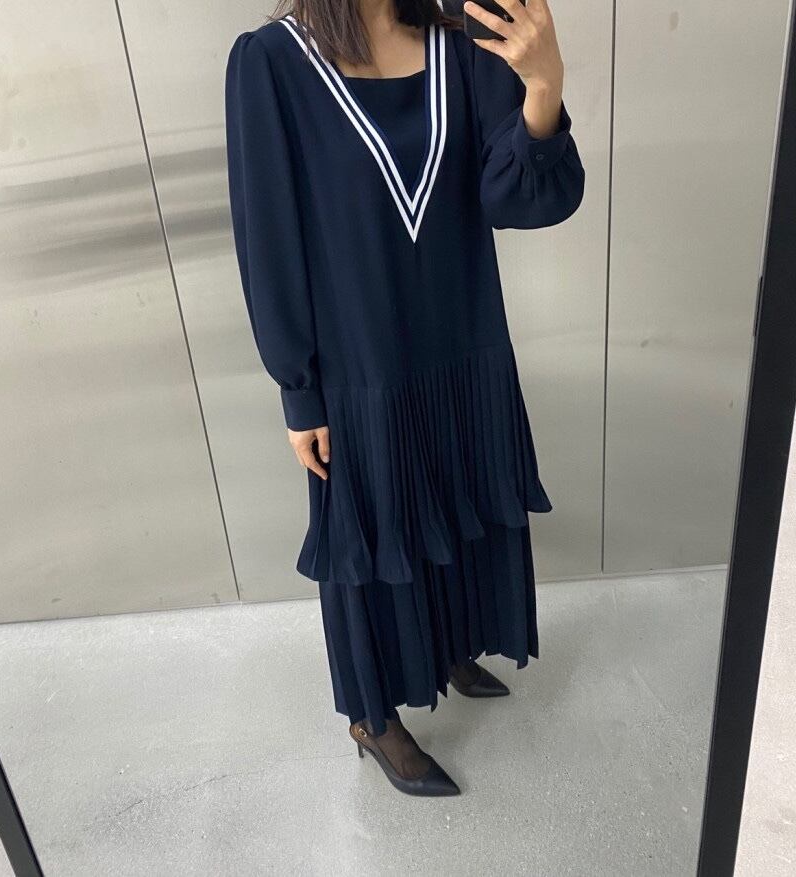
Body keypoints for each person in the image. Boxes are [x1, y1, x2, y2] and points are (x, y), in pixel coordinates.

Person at [225, 0, 584, 797]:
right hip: (360, 368)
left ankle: (448, 645)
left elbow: (518, 199)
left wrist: (543, 84)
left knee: (458, 504)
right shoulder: (274, 63)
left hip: (463, 347)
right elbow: (268, 237)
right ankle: (372, 716)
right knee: (370, 540)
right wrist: (299, 391)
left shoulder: (460, 45)